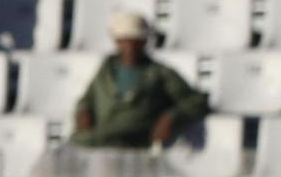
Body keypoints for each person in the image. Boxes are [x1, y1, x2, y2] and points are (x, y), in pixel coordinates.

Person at [69, 11, 207, 151]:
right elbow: (88, 98)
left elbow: (196, 101)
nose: (130, 47)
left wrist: (170, 118)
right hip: (96, 139)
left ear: (144, 42)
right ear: (117, 41)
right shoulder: (107, 71)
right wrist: (83, 111)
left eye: (136, 41)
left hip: (133, 144)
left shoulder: (159, 72)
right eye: (125, 40)